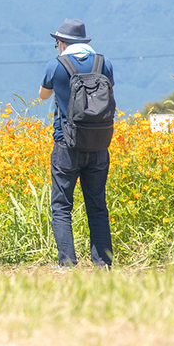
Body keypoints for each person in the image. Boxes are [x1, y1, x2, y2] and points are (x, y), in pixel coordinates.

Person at [37, 19, 115, 267]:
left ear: (60, 42)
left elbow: (43, 95)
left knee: (61, 206)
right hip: (99, 144)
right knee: (97, 206)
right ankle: (103, 264)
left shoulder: (57, 66)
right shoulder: (104, 64)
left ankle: (67, 264)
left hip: (66, 145)